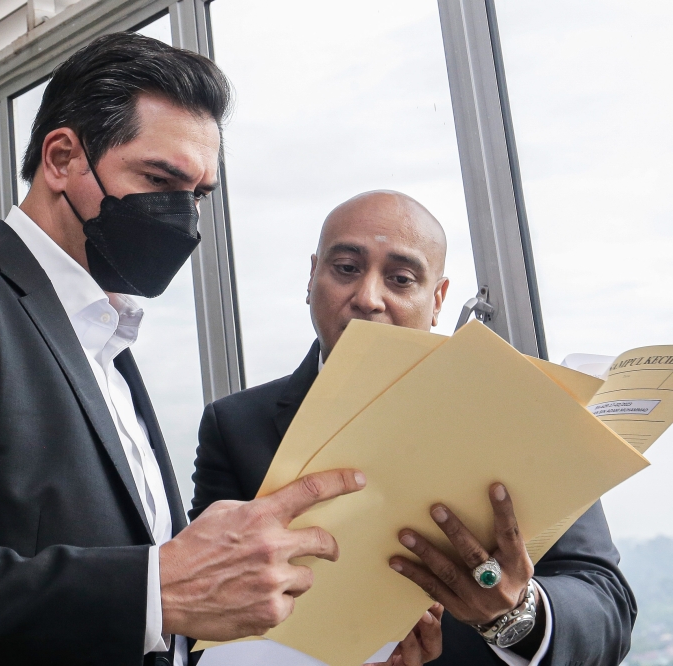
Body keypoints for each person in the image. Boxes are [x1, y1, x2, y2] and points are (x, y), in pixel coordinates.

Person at [0, 33, 375, 666]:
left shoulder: (110, 353)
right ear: (62, 157)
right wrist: (155, 589)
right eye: (159, 178)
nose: (183, 217)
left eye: (199, 195)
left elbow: (162, 621)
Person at [190, 190, 637, 666]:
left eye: (400, 279)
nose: (367, 299)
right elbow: (199, 615)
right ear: (312, 277)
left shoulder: (523, 412)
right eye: (345, 269)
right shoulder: (235, 427)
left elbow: (606, 605)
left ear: (438, 299)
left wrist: (515, 614)